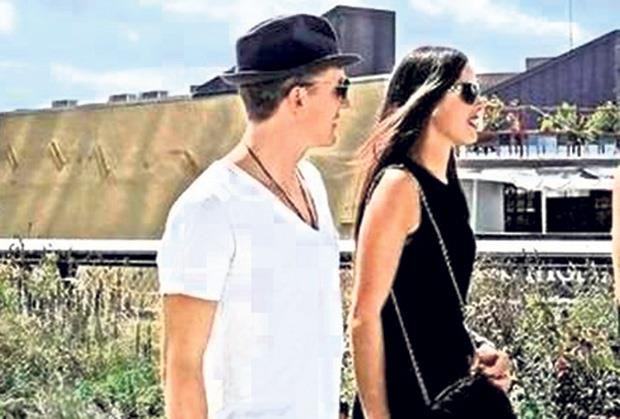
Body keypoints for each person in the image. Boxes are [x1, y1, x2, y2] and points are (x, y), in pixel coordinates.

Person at [157, 14, 360, 418]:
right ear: (298, 98)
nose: (347, 103)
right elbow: (180, 368)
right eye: (340, 87)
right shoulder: (210, 207)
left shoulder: (312, 183)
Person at [349, 46, 512, 418]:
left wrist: (479, 350)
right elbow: (364, 315)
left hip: (451, 393)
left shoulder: (449, 190)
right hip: (405, 399)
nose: (481, 105)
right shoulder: (400, 186)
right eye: (468, 91)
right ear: (429, 97)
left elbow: (434, 308)